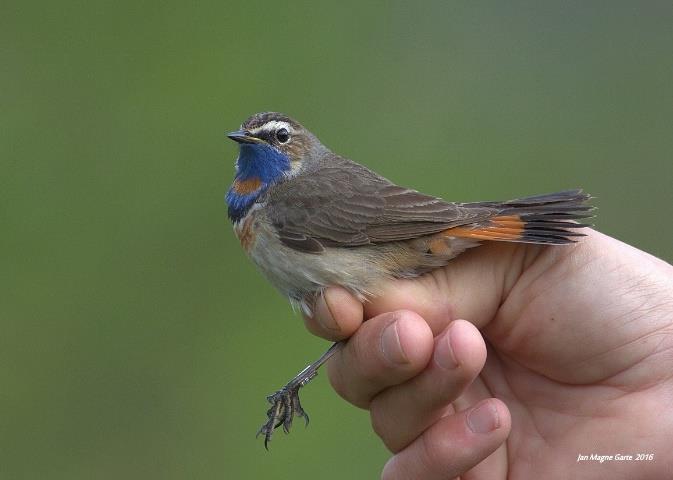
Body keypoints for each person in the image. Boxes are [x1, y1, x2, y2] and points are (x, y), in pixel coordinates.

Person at [304, 229, 673, 479]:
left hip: (405, 245)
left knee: (380, 324)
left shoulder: (286, 202)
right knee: (380, 329)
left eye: (281, 137)